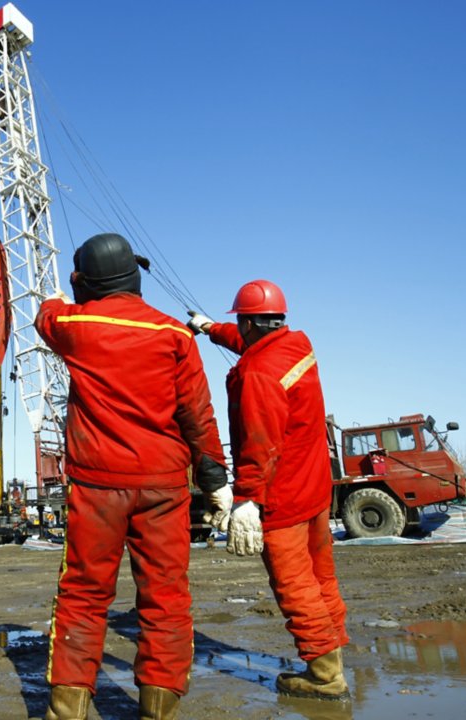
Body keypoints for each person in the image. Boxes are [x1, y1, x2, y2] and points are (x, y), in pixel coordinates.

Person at [34, 233, 232, 720]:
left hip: (97, 486)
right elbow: (197, 413)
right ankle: (158, 711)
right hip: (164, 485)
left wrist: (57, 295)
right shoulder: (177, 335)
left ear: (86, 283)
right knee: (166, 597)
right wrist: (214, 477)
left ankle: (68, 709)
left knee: (84, 593)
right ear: (134, 276)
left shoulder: (77, 325)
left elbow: (46, 316)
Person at [188, 279, 350, 701]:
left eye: (238, 324)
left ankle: (324, 676)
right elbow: (252, 344)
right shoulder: (296, 345)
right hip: (315, 489)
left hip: (281, 497)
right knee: (321, 578)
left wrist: (246, 499)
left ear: (249, 322)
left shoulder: (257, 374)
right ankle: (332, 656)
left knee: (295, 585)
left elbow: (259, 445)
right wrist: (209, 328)